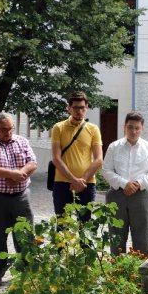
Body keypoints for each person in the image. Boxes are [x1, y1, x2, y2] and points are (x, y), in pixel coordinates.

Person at [0, 112, 37, 285]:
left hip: (21, 196)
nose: (8, 132)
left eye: (10, 129)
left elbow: (32, 162)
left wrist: (21, 174)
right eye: (3, 129)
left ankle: (27, 271)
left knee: (25, 235)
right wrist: (11, 174)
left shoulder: (22, 141)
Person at [102, 112, 148, 256]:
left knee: (142, 238)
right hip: (117, 196)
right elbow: (106, 170)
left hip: (142, 196)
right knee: (116, 237)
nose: (133, 131)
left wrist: (138, 184)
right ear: (124, 127)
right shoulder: (114, 147)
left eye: (137, 128)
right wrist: (124, 184)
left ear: (142, 128)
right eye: (130, 127)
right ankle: (116, 273)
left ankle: (140, 274)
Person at [50, 91, 103, 220]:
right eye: (76, 107)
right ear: (68, 108)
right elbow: (56, 158)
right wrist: (74, 180)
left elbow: (99, 159)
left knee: (85, 225)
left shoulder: (93, 129)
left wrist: (82, 180)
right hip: (62, 183)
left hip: (87, 184)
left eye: (82, 108)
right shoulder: (58, 128)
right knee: (62, 225)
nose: (79, 111)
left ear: (87, 108)